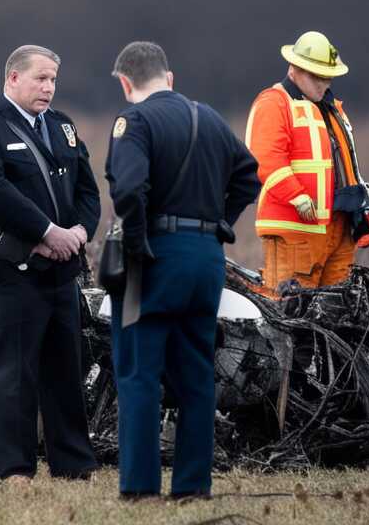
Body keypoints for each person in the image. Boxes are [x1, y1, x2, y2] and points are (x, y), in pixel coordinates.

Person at [106, 41, 260, 499]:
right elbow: (249, 175)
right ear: (169, 78)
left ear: (125, 82)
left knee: (138, 374)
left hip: (157, 256)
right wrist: (218, 225)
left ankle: (139, 489)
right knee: (195, 376)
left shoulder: (133, 121)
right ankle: (193, 487)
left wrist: (137, 245)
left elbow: (130, 190)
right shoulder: (209, 117)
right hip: (207, 258)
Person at [0, 45, 101, 482]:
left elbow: (88, 193)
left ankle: (73, 466)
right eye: (40, 78)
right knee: (10, 373)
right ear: (12, 79)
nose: (49, 88)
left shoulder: (63, 128)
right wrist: (46, 233)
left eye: (54, 79)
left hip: (61, 270)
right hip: (13, 270)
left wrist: (78, 233)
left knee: (66, 371)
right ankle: (12, 469)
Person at [245, 30, 369, 295]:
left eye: (327, 76)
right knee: (290, 312)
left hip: (340, 227)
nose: (324, 83)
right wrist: (296, 196)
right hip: (295, 232)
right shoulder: (274, 102)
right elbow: (265, 157)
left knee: (338, 311)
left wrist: (363, 210)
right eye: (316, 76)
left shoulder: (332, 108)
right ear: (294, 69)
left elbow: (347, 164)